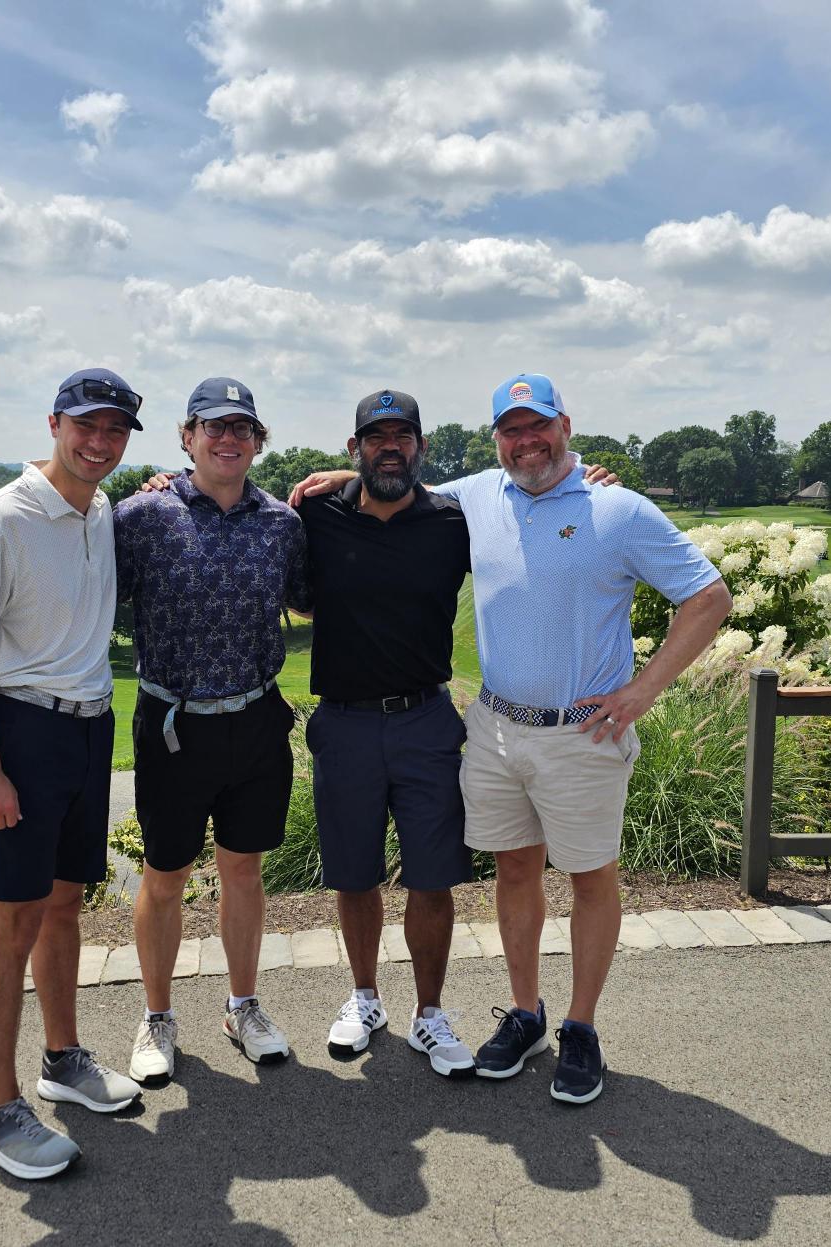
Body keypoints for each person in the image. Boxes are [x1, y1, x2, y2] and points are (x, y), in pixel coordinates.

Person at [294, 373, 729, 1105]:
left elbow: (709, 596)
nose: (527, 442)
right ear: (495, 439)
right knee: (515, 873)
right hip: (495, 730)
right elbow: (398, 484)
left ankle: (580, 1027)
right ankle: (526, 1013)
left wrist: (641, 691)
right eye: (511, 430)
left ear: (565, 426)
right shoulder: (476, 496)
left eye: (538, 426)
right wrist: (342, 477)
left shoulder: (617, 507)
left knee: (591, 880)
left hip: (581, 733)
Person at [0, 367, 145, 1180]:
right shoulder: (0, 518)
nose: (99, 442)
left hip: (88, 729)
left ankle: (63, 1059)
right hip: (19, 733)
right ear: (54, 424)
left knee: (63, 906)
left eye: (115, 430)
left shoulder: (100, 511)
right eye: (86, 426)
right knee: (13, 922)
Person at [112, 377, 311, 1084]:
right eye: (214, 426)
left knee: (243, 870)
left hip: (255, 720)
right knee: (165, 875)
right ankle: (157, 1016)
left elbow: (313, 598)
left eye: (242, 428)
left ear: (257, 441)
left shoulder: (281, 524)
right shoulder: (141, 517)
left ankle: (242, 1006)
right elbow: (89, 595)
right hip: (173, 724)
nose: (228, 439)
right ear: (187, 436)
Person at [297, 389, 475, 1076]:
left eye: (403, 436)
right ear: (355, 448)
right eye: (376, 438)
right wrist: (166, 481)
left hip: (425, 719)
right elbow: (235, 499)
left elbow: (521, 498)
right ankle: (365, 997)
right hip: (344, 721)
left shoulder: (452, 521)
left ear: (421, 446)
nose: (390, 447)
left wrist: (588, 475)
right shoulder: (315, 513)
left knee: (433, 877)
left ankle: (429, 1014)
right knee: (354, 874)